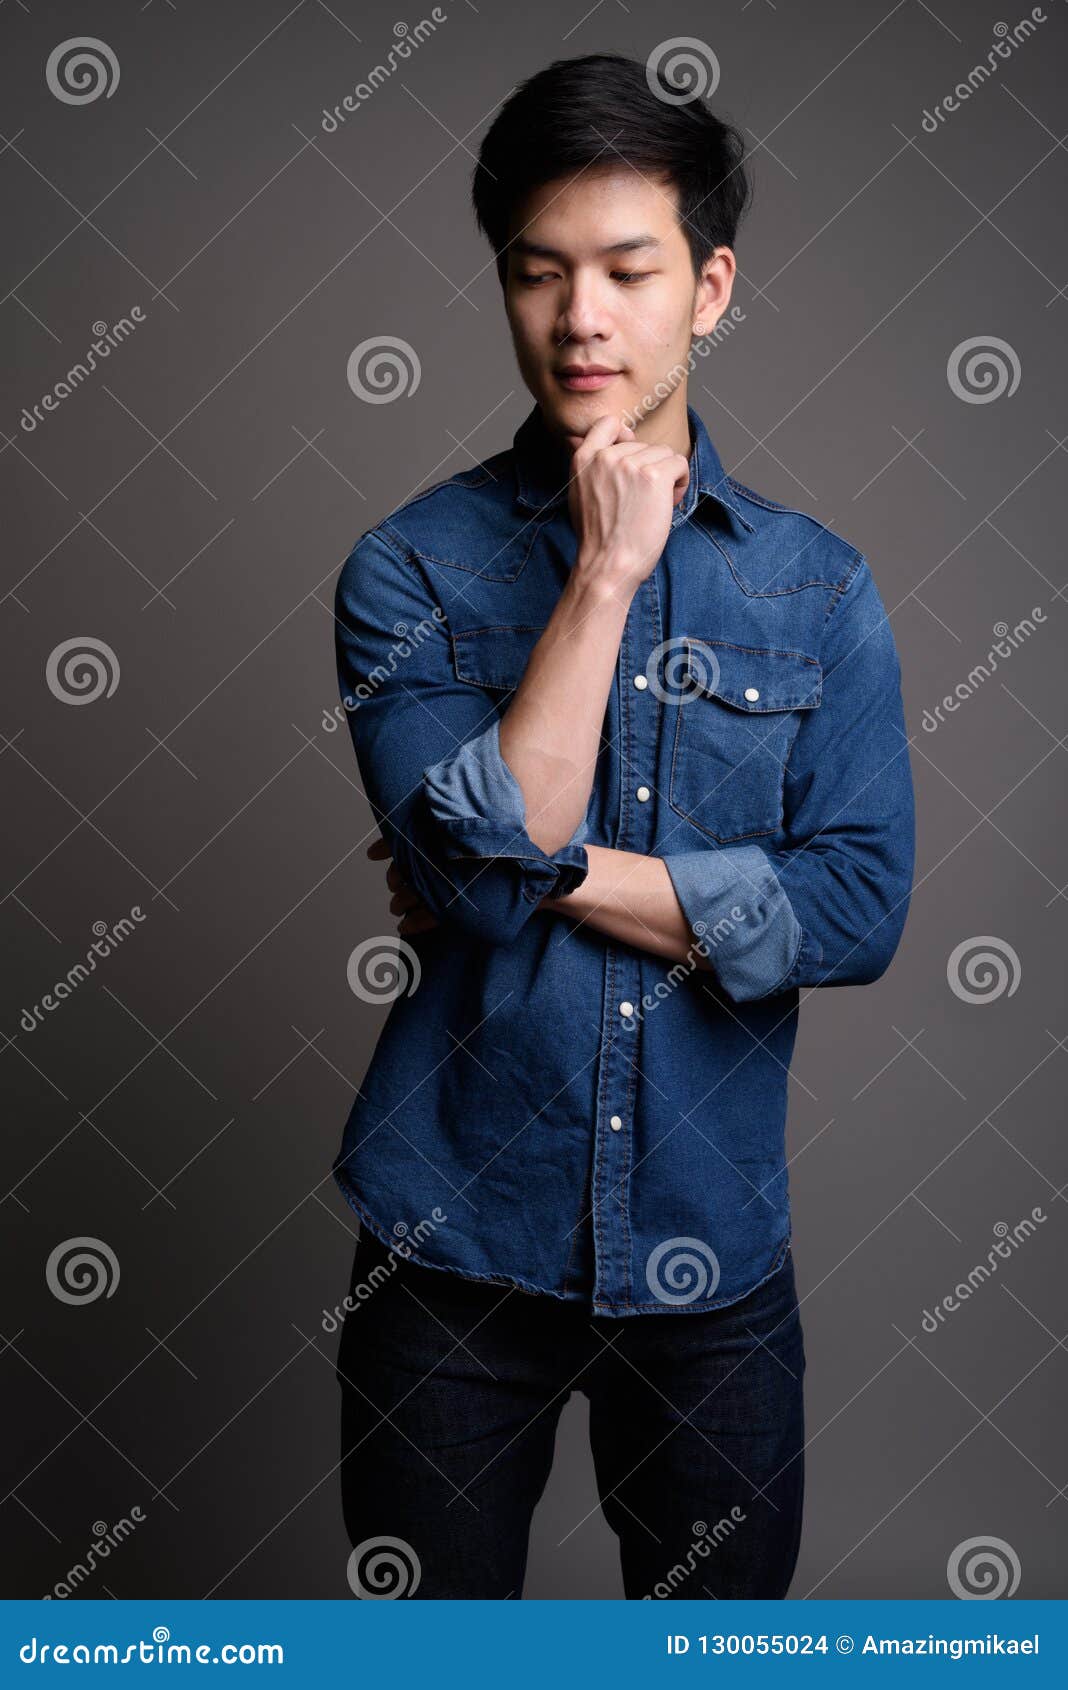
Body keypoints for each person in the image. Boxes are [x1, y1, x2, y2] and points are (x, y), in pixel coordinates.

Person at [330, 52, 915, 1601]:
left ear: (708, 287)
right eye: (538, 274)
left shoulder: (819, 590)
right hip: (447, 1256)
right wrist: (602, 579)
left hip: (713, 1263)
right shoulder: (408, 572)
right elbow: (473, 870)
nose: (579, 316)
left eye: (626, 270)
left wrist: (551, 868)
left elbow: (855, 907)